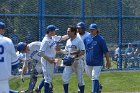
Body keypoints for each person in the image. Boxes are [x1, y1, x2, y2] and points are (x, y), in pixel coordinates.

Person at [39, 25, 68, 93]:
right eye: (54, 31)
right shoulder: (45, 40)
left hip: (51, 60)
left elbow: (63, 38)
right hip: (46, 61)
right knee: (47, 79)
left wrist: (73, 33)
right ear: (50, 32)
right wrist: (49, 59)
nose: (55, 32)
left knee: (49, 78)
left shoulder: (53, 37)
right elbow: (41, 52)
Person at [83, 23, 111, 93]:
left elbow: (106, 51)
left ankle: (94, 91)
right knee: (91, 76)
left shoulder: (101, 39)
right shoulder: (86, 38)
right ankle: (98, 87)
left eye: (93, 29)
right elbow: (82, 49)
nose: (91, 30)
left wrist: (108, 61)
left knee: (94, 77)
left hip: (98, 63)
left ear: (97, 30)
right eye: (90, 29)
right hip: (88, 62)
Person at [60, 25, 85, 93]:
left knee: (80, 80)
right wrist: (60, 50)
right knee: (64, 79)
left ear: (73, 32)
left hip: (78, 62)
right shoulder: (68, 41)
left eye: (68, 31)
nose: (67, 32)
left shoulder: (79, 40)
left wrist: (75, 56)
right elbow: (66, 51)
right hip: (69, 62)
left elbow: (83, 51)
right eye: (67, 31)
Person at [0, 21, 19, 93]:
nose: (4, 30)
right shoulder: (7, 41)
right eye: (3, 29)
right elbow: (15, 64)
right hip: (3, 77)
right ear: (1, 30)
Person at [76, 22, 90, 93]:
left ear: (84, 29)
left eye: (80, 28)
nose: (78, 29)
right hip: (78, 56)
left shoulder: (88, 35)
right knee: (79, 73)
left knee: (88, 72)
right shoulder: (76, 35)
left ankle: (98, 85)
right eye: (77, 28)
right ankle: (79, 88)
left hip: (87, 56)